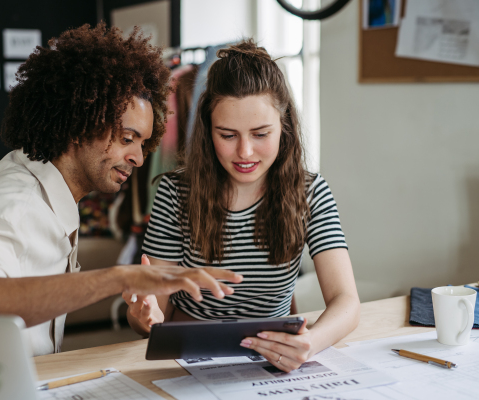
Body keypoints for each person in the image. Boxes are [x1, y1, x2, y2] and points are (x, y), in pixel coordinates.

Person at [0, 23, 243, 357]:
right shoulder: (17, 203)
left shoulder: (45, 189)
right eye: (127, 138)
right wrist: (118, 277)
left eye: (143, 144)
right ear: (80, 123)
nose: (138, 158)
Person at [126, 40, 360, 372]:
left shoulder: (312, 192)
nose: (245, 152)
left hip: (274, 358)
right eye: (228, 135)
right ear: (208, 131)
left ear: (284, 126)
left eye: (261, 134)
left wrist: (311, 343)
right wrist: (143, 316)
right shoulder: (175, 193)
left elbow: (347, 302)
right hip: (189, 355)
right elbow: (153, 313)